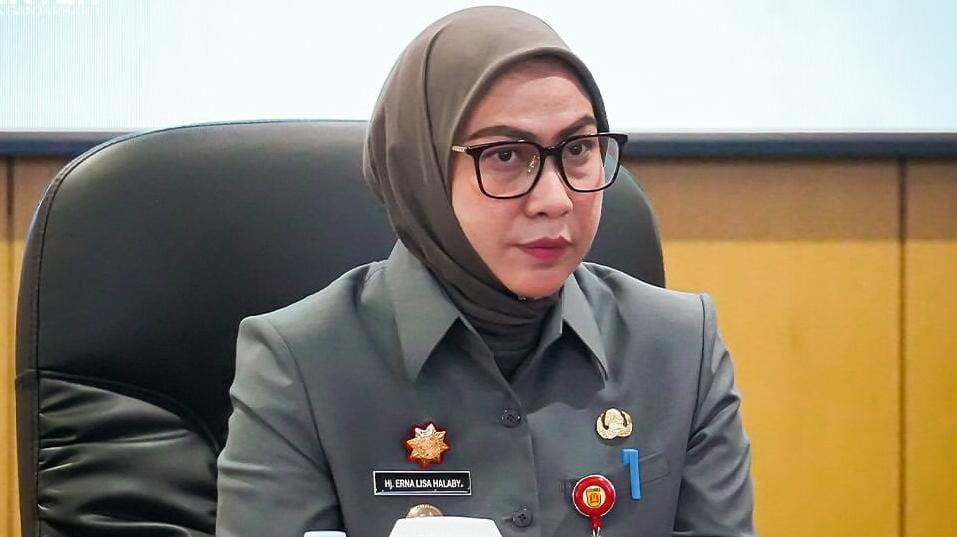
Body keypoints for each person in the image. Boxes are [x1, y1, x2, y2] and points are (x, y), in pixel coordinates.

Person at [216, 6, 755, 537]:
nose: (555, 199)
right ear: (423, 171)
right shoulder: (299, 365)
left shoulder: (681, 345)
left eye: (578, 148)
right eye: (504, 155)